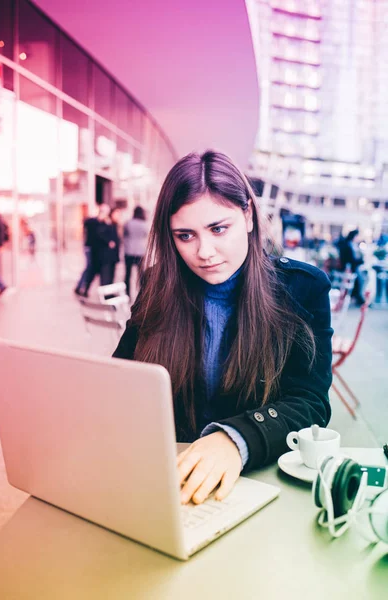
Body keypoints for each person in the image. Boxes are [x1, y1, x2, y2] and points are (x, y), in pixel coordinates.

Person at [113, 151, 333, 506]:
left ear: (247, 215)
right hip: (169, 482)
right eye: (185, 236)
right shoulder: (158, 286)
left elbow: (310, 401)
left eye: (218, 229)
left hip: (260, 482)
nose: (205, 252)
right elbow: (123, 376)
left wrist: (235, 439)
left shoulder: (302, 288)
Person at [83, 205, 121, 294]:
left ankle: (108, 293)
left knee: (108, 275)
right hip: (102, 255)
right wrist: (109, 242)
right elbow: (98, 234)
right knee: (97, 273)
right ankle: (88, 290)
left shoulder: (111, 224)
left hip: (110, 255)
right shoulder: (100, 223)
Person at [123, 206, 150, 297]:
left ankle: (127, 294)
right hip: (140, 252)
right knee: (141, 275)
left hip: (129, 251)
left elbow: (124, 235)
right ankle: (142, 294)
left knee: (127, 274)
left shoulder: (128, 223)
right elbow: (146, 235)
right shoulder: (144, 224)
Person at [74, 212, 100, 297]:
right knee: (89, 268)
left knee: (89, 269)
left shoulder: (96, 223)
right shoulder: (92, 222)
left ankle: (81, 287)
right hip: (89, 248)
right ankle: (80, 287)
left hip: (92, 249)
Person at [337, 229, 366, 305]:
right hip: (349, 268)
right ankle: (359, 297)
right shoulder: (348, 245)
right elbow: (349, 259)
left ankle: (359, 296)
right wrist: (360, 261)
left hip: (354, 266)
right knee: (361, 279)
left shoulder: (353, 245)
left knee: (363, 277)